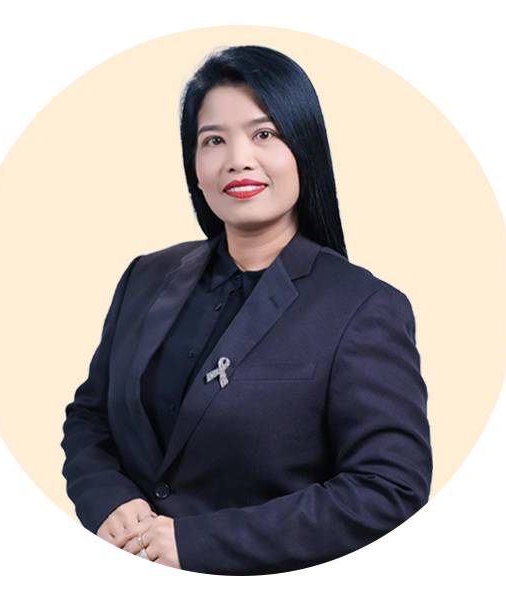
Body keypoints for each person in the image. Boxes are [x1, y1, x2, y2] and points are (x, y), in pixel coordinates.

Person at [60, 45, 433, 576]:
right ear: (194, 166)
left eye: (264, 134)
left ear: (305, 148)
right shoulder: (146, 276)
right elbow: (90, 416)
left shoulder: (364, 307)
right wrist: (106, 498)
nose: (237, 158)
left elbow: (388, 489)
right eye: (214, 140)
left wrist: (198, 542)